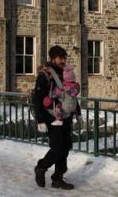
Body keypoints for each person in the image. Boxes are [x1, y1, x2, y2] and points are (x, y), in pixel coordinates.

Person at [33, 45, 81, 190]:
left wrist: (77, 112)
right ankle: (41, 167)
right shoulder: (45, 75)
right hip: (51, 117)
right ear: (53, 58)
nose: (63, 60)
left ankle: (57, 178)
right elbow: (37, 98)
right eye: (60, 58)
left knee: (65, 146)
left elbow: (70, 94)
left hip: (65, 116)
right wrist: (40, 120)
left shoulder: (66, 74)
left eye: (64, 57)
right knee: (57, 147)